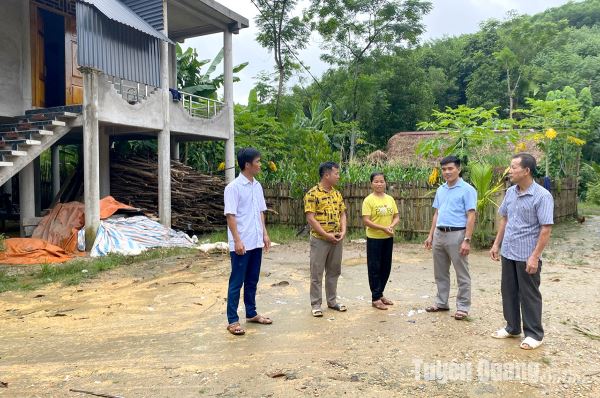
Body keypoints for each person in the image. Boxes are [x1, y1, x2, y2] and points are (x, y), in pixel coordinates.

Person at [490, 153, 553, 350]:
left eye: (513, 167)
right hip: (508, 251)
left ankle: (534, 334)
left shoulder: (542, 196)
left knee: (529, 294)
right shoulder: (510, 193)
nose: (509, 171)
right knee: (508, 292)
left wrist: (534, 257)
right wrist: (496, 244)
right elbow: (505, 219)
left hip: (527, 255)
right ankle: (512, 327)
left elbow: (546, 229)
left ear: (526, 171)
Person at [223, 148, 272, 336]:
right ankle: (232, 320)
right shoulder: (233, 188)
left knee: (252, 279)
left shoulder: (257, 186)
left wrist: (265, 234)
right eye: (258, 161)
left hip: (256, 241)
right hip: (241, 243)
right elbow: (231, 216)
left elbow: (260, 211)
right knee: (237, 281)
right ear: (247, 164)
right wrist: (237, 240)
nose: (260, 164)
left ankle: (251, 313)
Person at [424, 155, 477, 320]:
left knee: (461, 273)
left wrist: (467, 240)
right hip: (440, 234)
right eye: (444, 169)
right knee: (440, 272)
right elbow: (437, 213)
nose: (447, 172)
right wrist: (430, 235)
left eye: (450, 168)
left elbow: (471, 215)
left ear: (458, 169)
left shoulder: (467, 189)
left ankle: (462, 307)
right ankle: (441, 302)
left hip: (457, 234)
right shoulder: (441, 189)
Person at [304, 161, 347, 317]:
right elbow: (311, 218)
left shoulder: (337, 194)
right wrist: (325, 234)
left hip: (336, 238)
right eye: (336, 173)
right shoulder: (312, 194)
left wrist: (343, 231)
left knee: (334, 271)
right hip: (320, 240)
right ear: (326, 175)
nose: (338, 176)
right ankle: (316, 304)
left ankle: (332, 301)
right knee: (317, 272)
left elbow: (342, 213)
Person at [362, 172, 400, 310]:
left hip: (388, 237)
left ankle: (380, 293)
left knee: (386, 267)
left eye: (382, 181)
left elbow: (396, 216)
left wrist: (391, 226)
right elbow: (366, 221)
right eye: (376, 181)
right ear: (371, 184)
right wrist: (382, 228)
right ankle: (375, 298)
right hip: (374, 238)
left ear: (385, 183)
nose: (379, 184)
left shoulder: (390, 199)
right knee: (374, 268)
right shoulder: (368, 200)